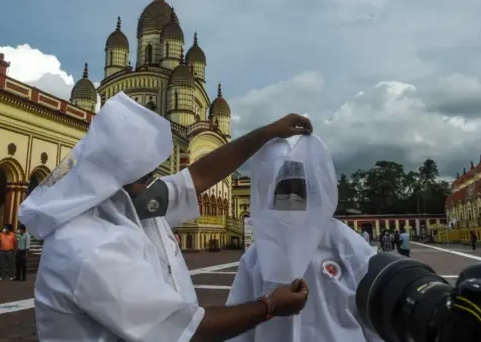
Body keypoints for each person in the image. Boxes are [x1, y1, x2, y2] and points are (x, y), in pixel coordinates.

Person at [18, 92, 313, 342]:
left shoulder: (130, 205)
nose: (150, 185)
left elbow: (198, 176)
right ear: (116, 178)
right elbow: (188, 329)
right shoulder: (88, 247)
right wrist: (271, 306)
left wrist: (265, 133)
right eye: (143, 176)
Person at [226, 135, 382, 341]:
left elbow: (376, 323)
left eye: (298, 188)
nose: (291, 197)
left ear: (314, 190)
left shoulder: (350, 248)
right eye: (283, 189)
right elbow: (239, 328)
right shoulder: (256, 257)